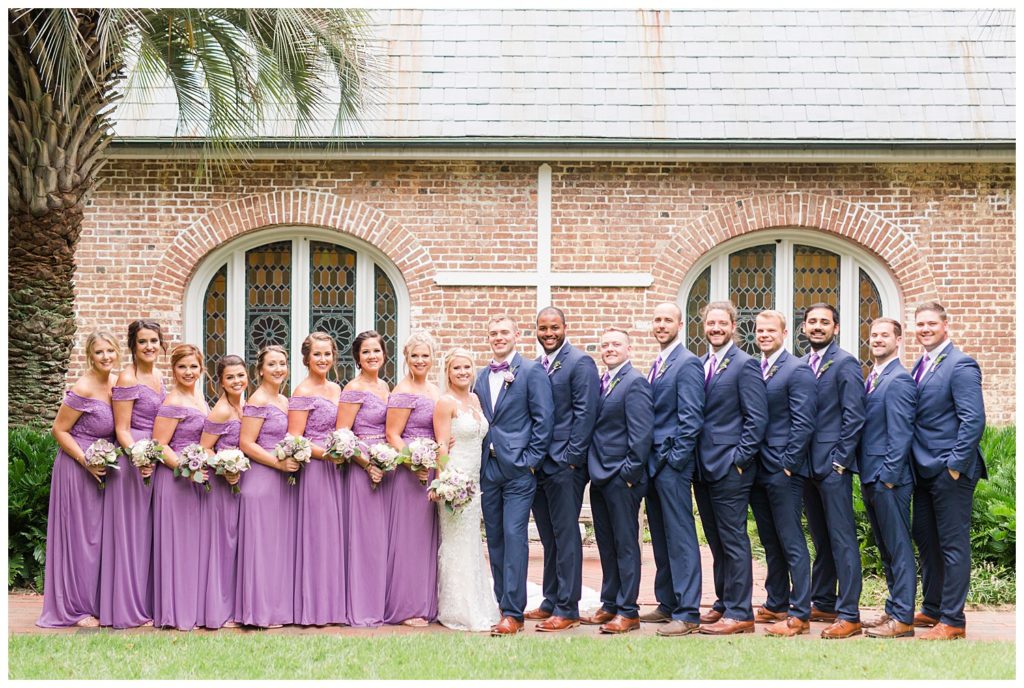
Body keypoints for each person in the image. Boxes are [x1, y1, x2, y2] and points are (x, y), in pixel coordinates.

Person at [909, 302, 986, 640]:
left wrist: (955, 465)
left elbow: (974, 419)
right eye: (920, 324)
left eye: (930, 323)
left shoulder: (961, 365)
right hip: (923, 468)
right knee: (926, 539)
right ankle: (933, 607)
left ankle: (953, 620)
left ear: (945, 325)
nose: (925, 329)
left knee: (953, 544)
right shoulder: (920, 365)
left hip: (950, 470)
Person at [473, 314, 553, 635]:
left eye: (504, 332)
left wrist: (530, 461)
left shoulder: (532, 371)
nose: (499, 337)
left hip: (520, 470)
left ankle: (513, 612)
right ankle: (500, 601)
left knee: (514, 535)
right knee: (494, 538)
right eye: (493, 333)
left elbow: (544, 420)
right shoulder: (480, 376)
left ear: (516, 335)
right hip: (488, 469)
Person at [694, 301, 768, 635]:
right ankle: (723, 602)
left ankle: (740, 613)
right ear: (704, 326)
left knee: (734, 539)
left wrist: (739, 461)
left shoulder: (745, 365)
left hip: (730, 468)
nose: (716, 328)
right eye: (711, 323)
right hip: (702, 467)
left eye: (722, 323)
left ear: (733, 326)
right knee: (716, 540)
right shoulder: (700, 364)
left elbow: (756, 418)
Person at [37, 331, 120, 628]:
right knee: (82, 538)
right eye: (99, 352)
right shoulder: (83, 387)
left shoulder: (116, 383)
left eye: (110, 350)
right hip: (77, 468)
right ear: (89, 355)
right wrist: (85, 461)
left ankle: (100, 602)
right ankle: (76, 608)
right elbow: (59, 430)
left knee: (101, 538)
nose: (106, 357)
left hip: (105, 468)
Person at [524, 307, 599, 632]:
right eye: (543, 328)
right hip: (540, 465)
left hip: (565, 466)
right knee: (549, 537)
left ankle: (567, 608)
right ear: (536, 330)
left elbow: (586, 413)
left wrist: (571, 458)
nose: (549, 333)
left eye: (554, 327)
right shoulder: (538, 365)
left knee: (566, 536)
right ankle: (551, 598)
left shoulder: (579, 363)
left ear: (565, 327)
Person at [579, 328, 653, 634]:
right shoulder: (603, 382)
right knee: (606, 544)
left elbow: (641, 434)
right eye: (605, 344)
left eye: (616, 344)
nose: (610, 348)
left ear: (629, 348)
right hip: (600, 476)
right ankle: (609, 603)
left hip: (622, 479)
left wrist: (628, 474)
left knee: (625, 545)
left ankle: (628, 610)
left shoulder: (635, 383)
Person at [747, 311, 816, 637]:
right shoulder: (755, 367)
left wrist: (789, 463)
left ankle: (800, 613)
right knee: (770, 540)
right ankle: (776, 601)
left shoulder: (796, 370)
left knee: (791, 541)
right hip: (757, 469)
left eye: (770, 330)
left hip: (783, 470)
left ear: (785, 333)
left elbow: (804, 421)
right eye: (759, 330)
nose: (764, 335)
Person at [800, 302, 865, 639]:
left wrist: (840, 460)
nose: (817, 327)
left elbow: (855, 416)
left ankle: (849, 613)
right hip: (806, 466)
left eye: (824, 322)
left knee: (841, 539)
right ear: (804, 327)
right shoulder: (801, 365)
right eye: (812, 322)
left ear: (836, 328)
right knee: (821, 538)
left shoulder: (845, 363)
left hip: (832, 466)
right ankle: (823, 601)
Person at [639, 303, 704, 637]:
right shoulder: (658, 364)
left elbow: (691, 418)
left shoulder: (688, 363)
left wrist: (675, 461)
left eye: (667, 320)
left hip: (671, 465)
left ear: (680, 324)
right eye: (657, 319)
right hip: (653, 464)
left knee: (680, 537)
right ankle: (667, 602)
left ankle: (689, 611)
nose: (661, 325)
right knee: (662, 537)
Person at [101, 319, 166, 628]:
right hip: (132, 462)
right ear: (133, 346)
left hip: (155, 457)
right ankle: (124, 608)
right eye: (143, 342)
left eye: (154, 340)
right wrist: (137, 457)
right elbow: (121, 429)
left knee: (147, 534)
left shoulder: (159, 375)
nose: (149, 346)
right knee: (129, 535)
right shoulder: (127, 379)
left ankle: (146, 602)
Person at [432, 348, 501, 632]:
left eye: (467, 368)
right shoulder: (444, 403)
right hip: (455, 480)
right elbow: (441, 446)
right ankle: (457, 608)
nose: (462, 372)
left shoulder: (474, 399)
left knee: (472, 542)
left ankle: (479, 600)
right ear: (447, 372)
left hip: (476, 480)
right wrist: (442, 483)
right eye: (456, 368)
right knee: (456, 542)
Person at [858, 318, 918, 639]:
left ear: (898, 340)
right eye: (874, 335)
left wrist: (889, 477)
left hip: (888, 478)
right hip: (872, 476)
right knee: (885, 548)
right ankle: (893, 610)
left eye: (885, 335)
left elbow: (900, 433)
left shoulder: (899, 380)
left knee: (898, 547)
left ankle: (904, 618)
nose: (878, 340)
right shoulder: (875, 377)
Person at [236, 345, 298, 628]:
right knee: (261, 548)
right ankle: (258, 613)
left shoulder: (283, 400)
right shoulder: (258, 399)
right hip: (261, 479)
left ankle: (276, 609)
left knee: (275, 548)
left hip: (281, 481)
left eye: (282, 363)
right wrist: (279, 463)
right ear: (259, 369)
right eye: (271, 364)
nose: (278, 369)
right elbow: (246, 444)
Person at [151, 344, 211, 630]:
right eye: (182, 367)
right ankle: (175, 612)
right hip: (176, 481)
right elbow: (159, 446)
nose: (188, 372)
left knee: (193, 546)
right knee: (178, 546)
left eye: (193, 367)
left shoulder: (198, 396)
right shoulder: (173, 402)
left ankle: (193, 608)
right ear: (173, 370)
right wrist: (185, 470)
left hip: (196, 479)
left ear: (201, 369)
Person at [383, 332, 441, 626]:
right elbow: (392, 434)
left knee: (428, 538)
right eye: (415, 356)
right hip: (409, 473)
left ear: (433, 358)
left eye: (425, 356)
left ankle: (427, 601)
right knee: (409, 540)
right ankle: (406, 607)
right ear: (406, 358)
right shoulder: (402, 390)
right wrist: (413, 461)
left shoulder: (433, 389)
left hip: (431, 470)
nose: (420, 361)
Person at [289, 332, 346, 626]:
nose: (323, 359)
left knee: (332, 536)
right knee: (317, 535)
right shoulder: (301, 392)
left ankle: (332, 604)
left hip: (337, 467)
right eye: (317, 355)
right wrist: (326, 454)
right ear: (306, 359)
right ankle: (313, 608)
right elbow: (296, 438)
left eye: (327, 354)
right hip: (315, 468)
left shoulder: (337, 389)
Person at [336, 330, 390, 627]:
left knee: (380, 539)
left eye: (376, 351)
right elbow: (343, 434)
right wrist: (367, 463)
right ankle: (362, 605)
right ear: (357, 357)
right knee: (364, 538)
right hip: (363, 468)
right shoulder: (353, 388)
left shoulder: (385, 386)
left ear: (384, 354)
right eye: (366, 352)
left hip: (387, 465)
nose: (372, 356)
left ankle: (381, 600)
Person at [198, 354, 247, 629]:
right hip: (222, 484)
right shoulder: (221, 410)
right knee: (224, 546)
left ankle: (236, 607)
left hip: (240, 483)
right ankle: (219, 610)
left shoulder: (245, 405)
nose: (236, 381)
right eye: (230, 377)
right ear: (221, 382)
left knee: (238, 545)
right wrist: (225, 466)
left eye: (240, 375)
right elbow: (205, 447)